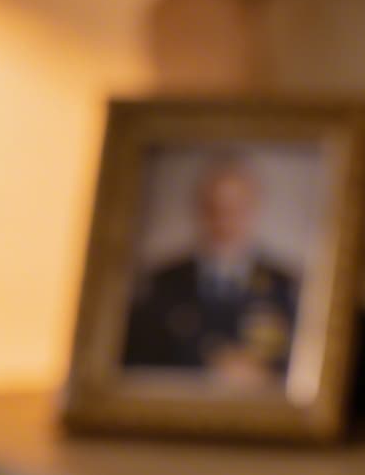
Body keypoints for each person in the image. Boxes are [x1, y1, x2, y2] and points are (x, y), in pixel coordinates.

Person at [121, 154, 301, 387]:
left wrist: (263, 376)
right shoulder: (160, 284)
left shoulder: (286, 285)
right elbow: (135, 366)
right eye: (216, 207)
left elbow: (303, 369)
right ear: (200, 209)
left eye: (238, 208)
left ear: (255, 208)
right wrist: (206, 368)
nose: (226, 219)